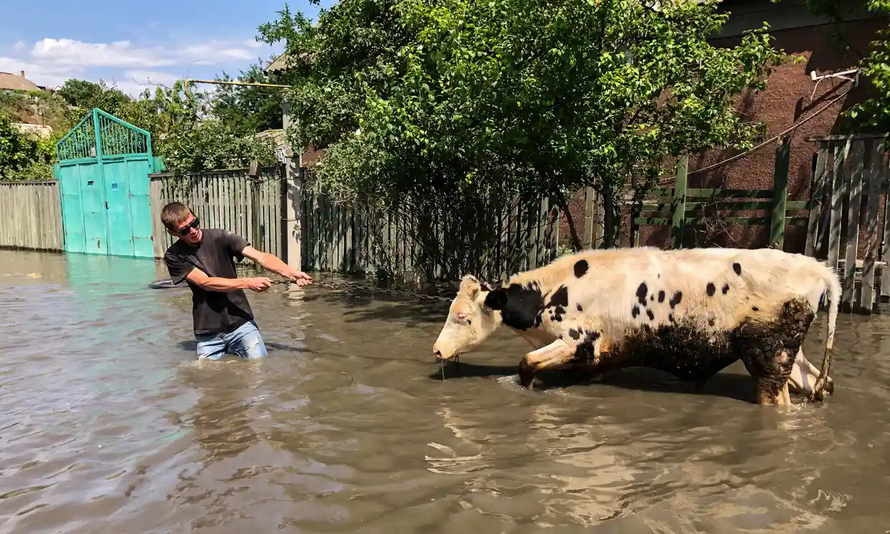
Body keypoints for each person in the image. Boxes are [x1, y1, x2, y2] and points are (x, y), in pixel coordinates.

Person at [160, 201, 313, 360]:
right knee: (206, 379)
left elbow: (261, 257)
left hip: (241, 322)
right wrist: (248, 282)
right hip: (207, 331)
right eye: (185, 230)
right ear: (173, 233)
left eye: (194, 223)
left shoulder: (220, 236)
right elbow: (205, 283)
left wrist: (292, 273)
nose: (193, 231)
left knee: (260, 368)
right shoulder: (174, 255)